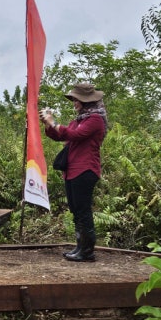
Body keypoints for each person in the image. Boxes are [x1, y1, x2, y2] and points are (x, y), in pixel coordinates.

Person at [39, 82, 108, 262]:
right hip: (72, 170)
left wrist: (53, 122)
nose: (74, 103)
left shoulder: (95, 120)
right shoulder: (79, 119)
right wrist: (48, 124)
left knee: (83, 210)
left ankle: (87, 251)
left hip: (85, 170)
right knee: (76, 210)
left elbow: (74, 136)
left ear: (85, 101)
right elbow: (62, 135)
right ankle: (80, 247)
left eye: (76, 100)